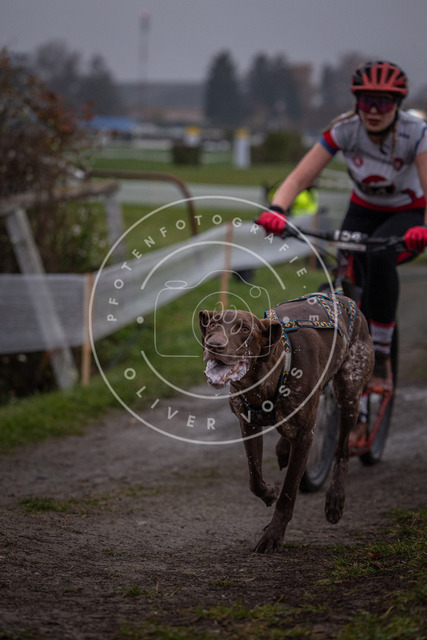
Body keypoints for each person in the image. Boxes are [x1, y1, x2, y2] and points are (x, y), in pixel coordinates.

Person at [255, 60, 427, 397]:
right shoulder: (345, 129)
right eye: (366, 101)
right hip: (363, 210)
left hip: (407, 212)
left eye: (383, 103)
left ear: (397, 105)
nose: (373, 111)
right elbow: (299, 177)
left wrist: (423, 228)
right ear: (356, 102)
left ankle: (380, 356)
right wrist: (277, 210)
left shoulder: (416, 133)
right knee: (345, 270)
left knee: (379, 256)